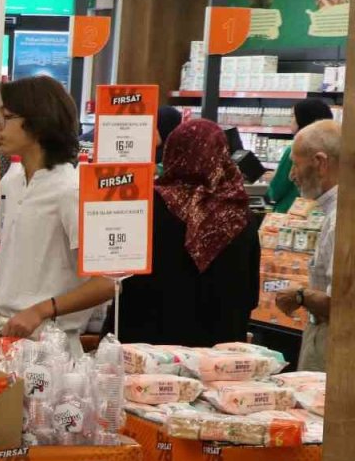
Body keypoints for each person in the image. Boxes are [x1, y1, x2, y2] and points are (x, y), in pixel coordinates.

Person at [0, 75, 114, 350]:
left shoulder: (70, 191)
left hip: (50, 348)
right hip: (1, 337)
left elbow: (107, 282)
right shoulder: (12, 181)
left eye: (6, 117)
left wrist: (41, 310)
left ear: (38, 123)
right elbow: (26, 265)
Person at [118, 119, 260, 346]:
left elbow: (120, 280)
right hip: (219, 359)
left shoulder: (145, 206)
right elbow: (250, 296)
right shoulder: (241, 216)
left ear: (172, 152)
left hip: (148, 353)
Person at [274, 119, 339, 371]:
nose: (291, 175)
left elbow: (341, 302)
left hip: (331, 344)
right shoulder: (334, 211)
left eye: (295, 164)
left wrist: (300, 294)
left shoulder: (340, 219)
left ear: (320, 163)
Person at [267, 98, 333, 213]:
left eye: (293, 116)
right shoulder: (332, 147)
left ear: (304, 118)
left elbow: (276, 191)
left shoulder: (295, 150)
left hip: (290, 212)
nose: (290, 121)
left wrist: (274, 180)